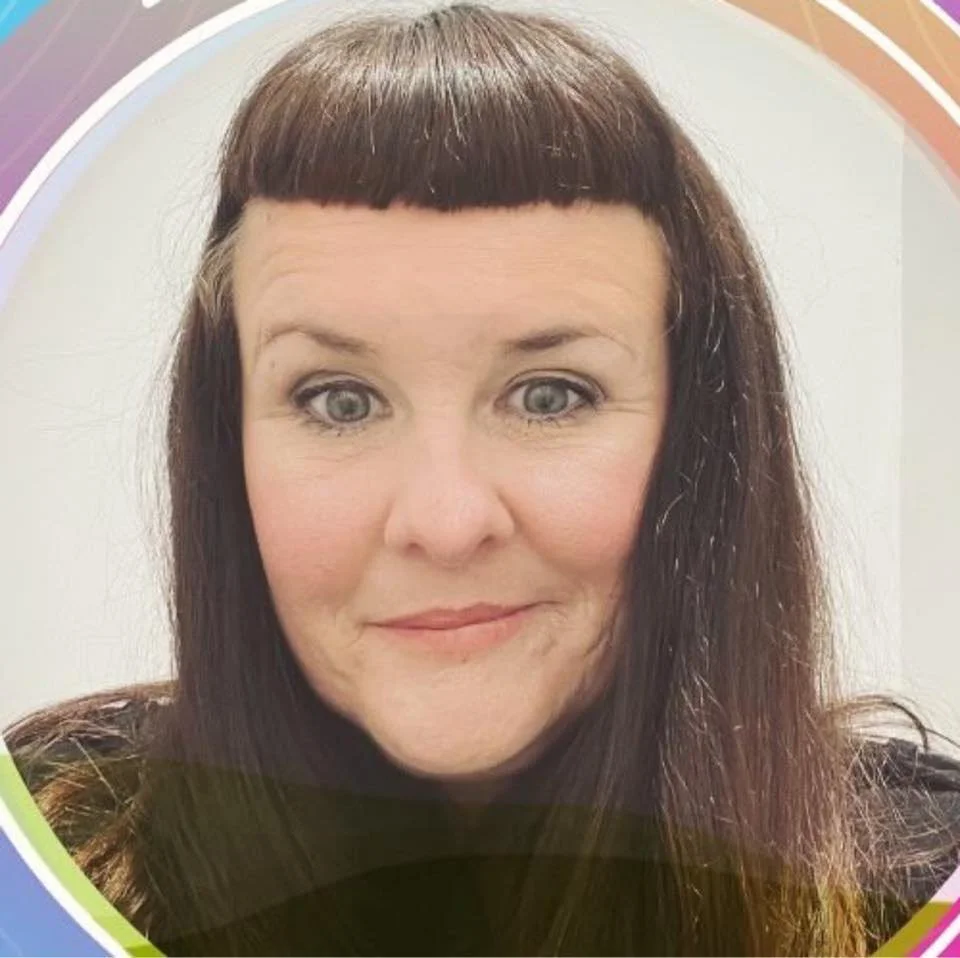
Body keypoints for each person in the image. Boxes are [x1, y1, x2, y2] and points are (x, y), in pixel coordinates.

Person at [5, 3, 960, 955]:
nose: (447, 521)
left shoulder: (922, 890)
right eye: (340, 401)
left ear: (700, 439)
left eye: (550, 396)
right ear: (228, 447)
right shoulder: (41, 852)